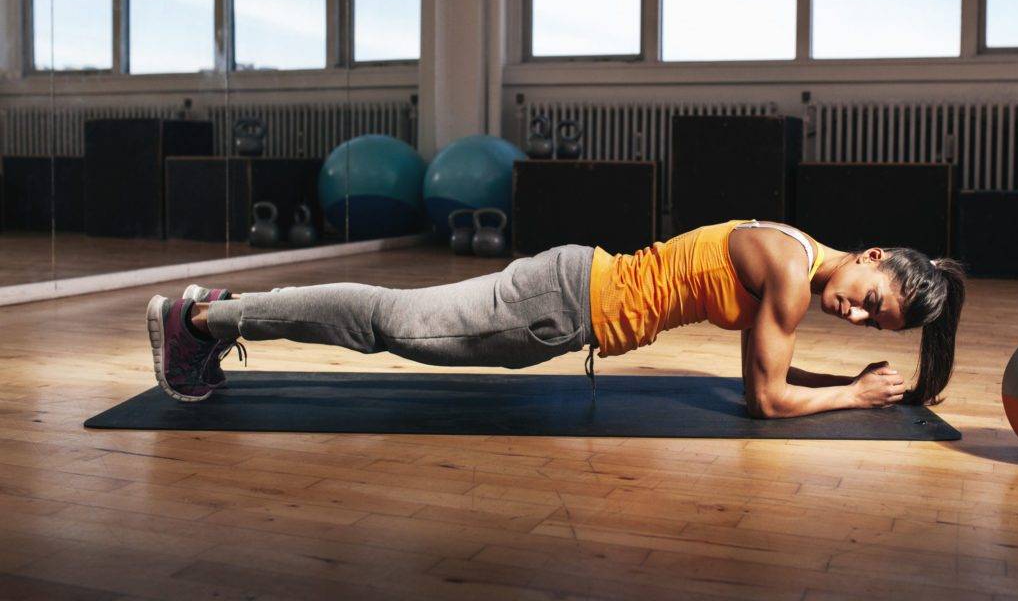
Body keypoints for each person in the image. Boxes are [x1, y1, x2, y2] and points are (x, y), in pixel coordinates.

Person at [147, 218, 966, 418]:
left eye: (874, 327)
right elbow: (767, 399)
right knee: (386, 323)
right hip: (561, 307)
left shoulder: (798, 246)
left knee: (391, 322)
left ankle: (214, 316)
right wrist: (851, 395)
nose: (859, 316)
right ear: (870, 257)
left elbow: (772, 368)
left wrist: (850, 379)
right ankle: (202, 321)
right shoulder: (791, 273)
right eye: (874, 302)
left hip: (569, 290)